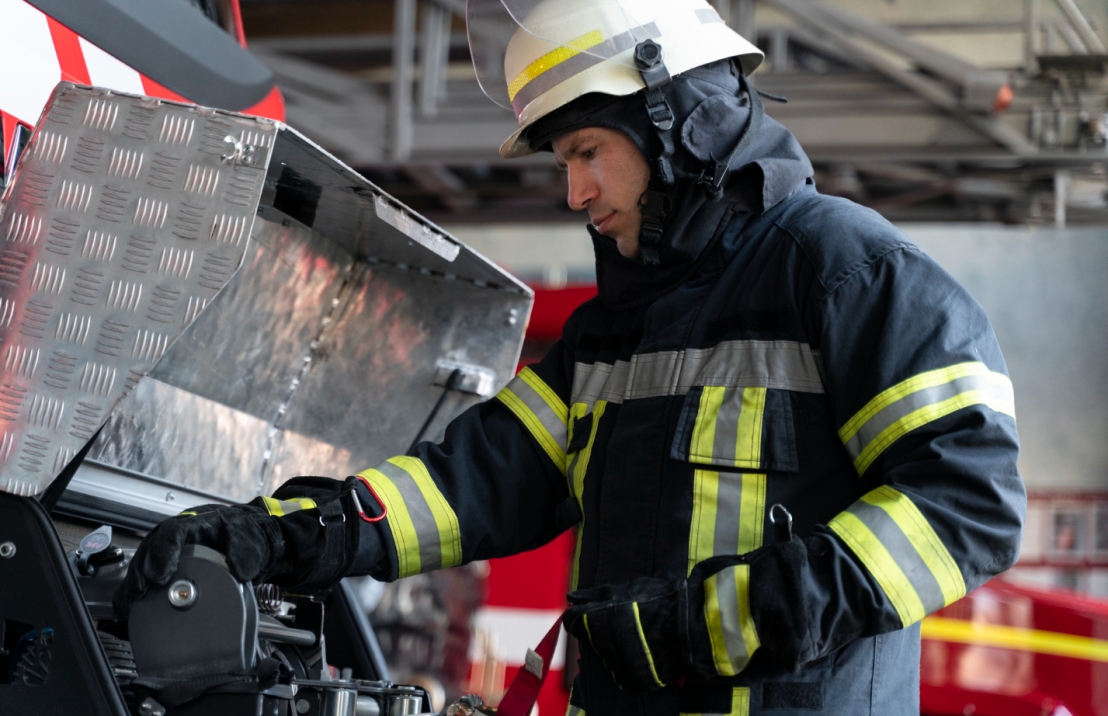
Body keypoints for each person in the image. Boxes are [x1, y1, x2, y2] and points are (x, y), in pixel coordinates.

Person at [116, 1, 1026, 714]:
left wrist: (716, 624)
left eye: (587, 150)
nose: (576, 190)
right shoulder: (614, 331)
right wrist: (283, 536)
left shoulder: (848, 273)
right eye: (563, 161)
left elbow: (967, 503)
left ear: (679, 120)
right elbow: (471, 480)